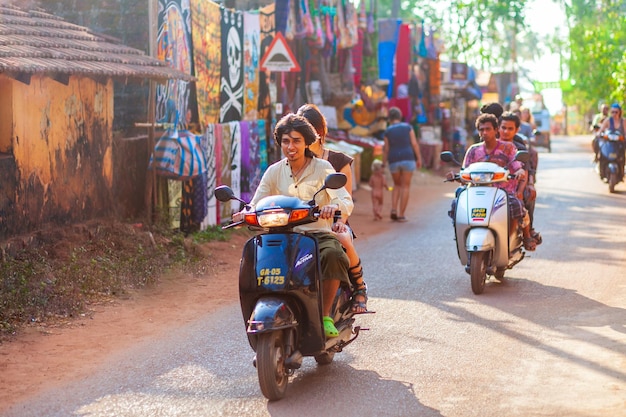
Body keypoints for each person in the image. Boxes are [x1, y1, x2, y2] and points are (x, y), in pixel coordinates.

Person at [234, 113, 354, 338]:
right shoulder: (274, 171)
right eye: (286, 141)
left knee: (334, 254)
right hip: (281, 236)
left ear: (307, 142)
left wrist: (333, 207)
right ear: (280, 142)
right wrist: (244, 213)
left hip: (316, 234)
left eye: (297, 141)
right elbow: (256, 202)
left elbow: (344, 199)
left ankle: (326, 315)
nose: (291, 146)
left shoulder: (323, 168)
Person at [296, 104, 369, 314]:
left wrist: (338, 219)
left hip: (334, 220)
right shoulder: (293, 162)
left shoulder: (338, 161)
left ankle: (360, 288)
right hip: (301, 222)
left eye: (305, 130)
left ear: (318, 132)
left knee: (343, 240)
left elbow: (346, 199)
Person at [448, 113, 538, 251]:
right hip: (477, 191)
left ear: (496, 130)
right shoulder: (473, 150)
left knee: (516, 206)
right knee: (457, 200)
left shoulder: (508, 148)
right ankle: (461, 235)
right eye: (482, 129)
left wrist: (519, 172)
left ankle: (510, 238)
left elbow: (516, 166)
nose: (485, 132)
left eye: (488, 129)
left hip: (503, 191)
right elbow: (465, 171)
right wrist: (457, 176)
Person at [499, 112, 542, 243]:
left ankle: (527, 233)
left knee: (528, 195)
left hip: (514, 184)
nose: (506, 132)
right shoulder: (488, 144)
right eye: (503, 127)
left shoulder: (519, 147)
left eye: (510, 128)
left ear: (517, 130)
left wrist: (527, 185)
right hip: (492, 184)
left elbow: (525, 170)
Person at [382, 106, 423, 222]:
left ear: (390, 118)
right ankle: (401, 215)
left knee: (397, 185)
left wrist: (383, 164)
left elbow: (386, 149)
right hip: (408, 158)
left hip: (394, 159)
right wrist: (418, 158)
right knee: (405, 186)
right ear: (400, 117)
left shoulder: (388, 131)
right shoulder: (408, 127)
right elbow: (414, 144)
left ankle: (394, 209)